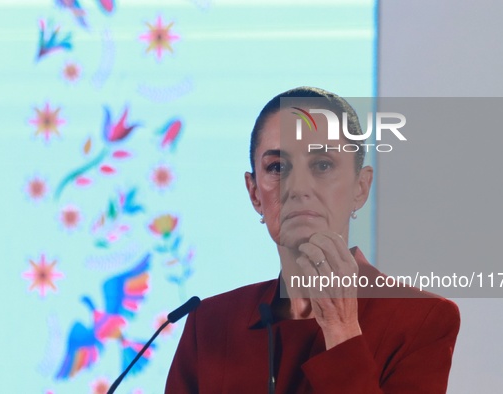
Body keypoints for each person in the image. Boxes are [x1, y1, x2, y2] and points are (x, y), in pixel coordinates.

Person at [165, 87, 460, 393]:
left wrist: (341, 329)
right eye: (277, 167)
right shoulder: (211, 323)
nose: (298, 188)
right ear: (254, 193)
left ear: (360, 188)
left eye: (322, 165)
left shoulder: (421, 319)